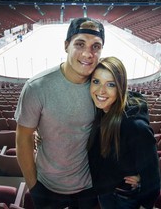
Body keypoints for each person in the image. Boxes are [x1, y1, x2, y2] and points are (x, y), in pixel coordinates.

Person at [14, 17, 105, 209]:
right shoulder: (37, 87)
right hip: (48, 187)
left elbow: (129, 123)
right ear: (66, 46)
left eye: (96, 47)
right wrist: (34, 186)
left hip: (90, 187)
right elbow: (23, 138)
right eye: (80, 44)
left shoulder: (101, 88)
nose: (88, 53)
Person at [88, 56, 161, 209]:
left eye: (110, 84)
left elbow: (152, 175)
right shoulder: (100, 109)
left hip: (122, 197)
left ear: (120, 87)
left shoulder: (135, 127)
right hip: (104, 189)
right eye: (96, 81)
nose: (101, 90)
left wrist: (145, 203)